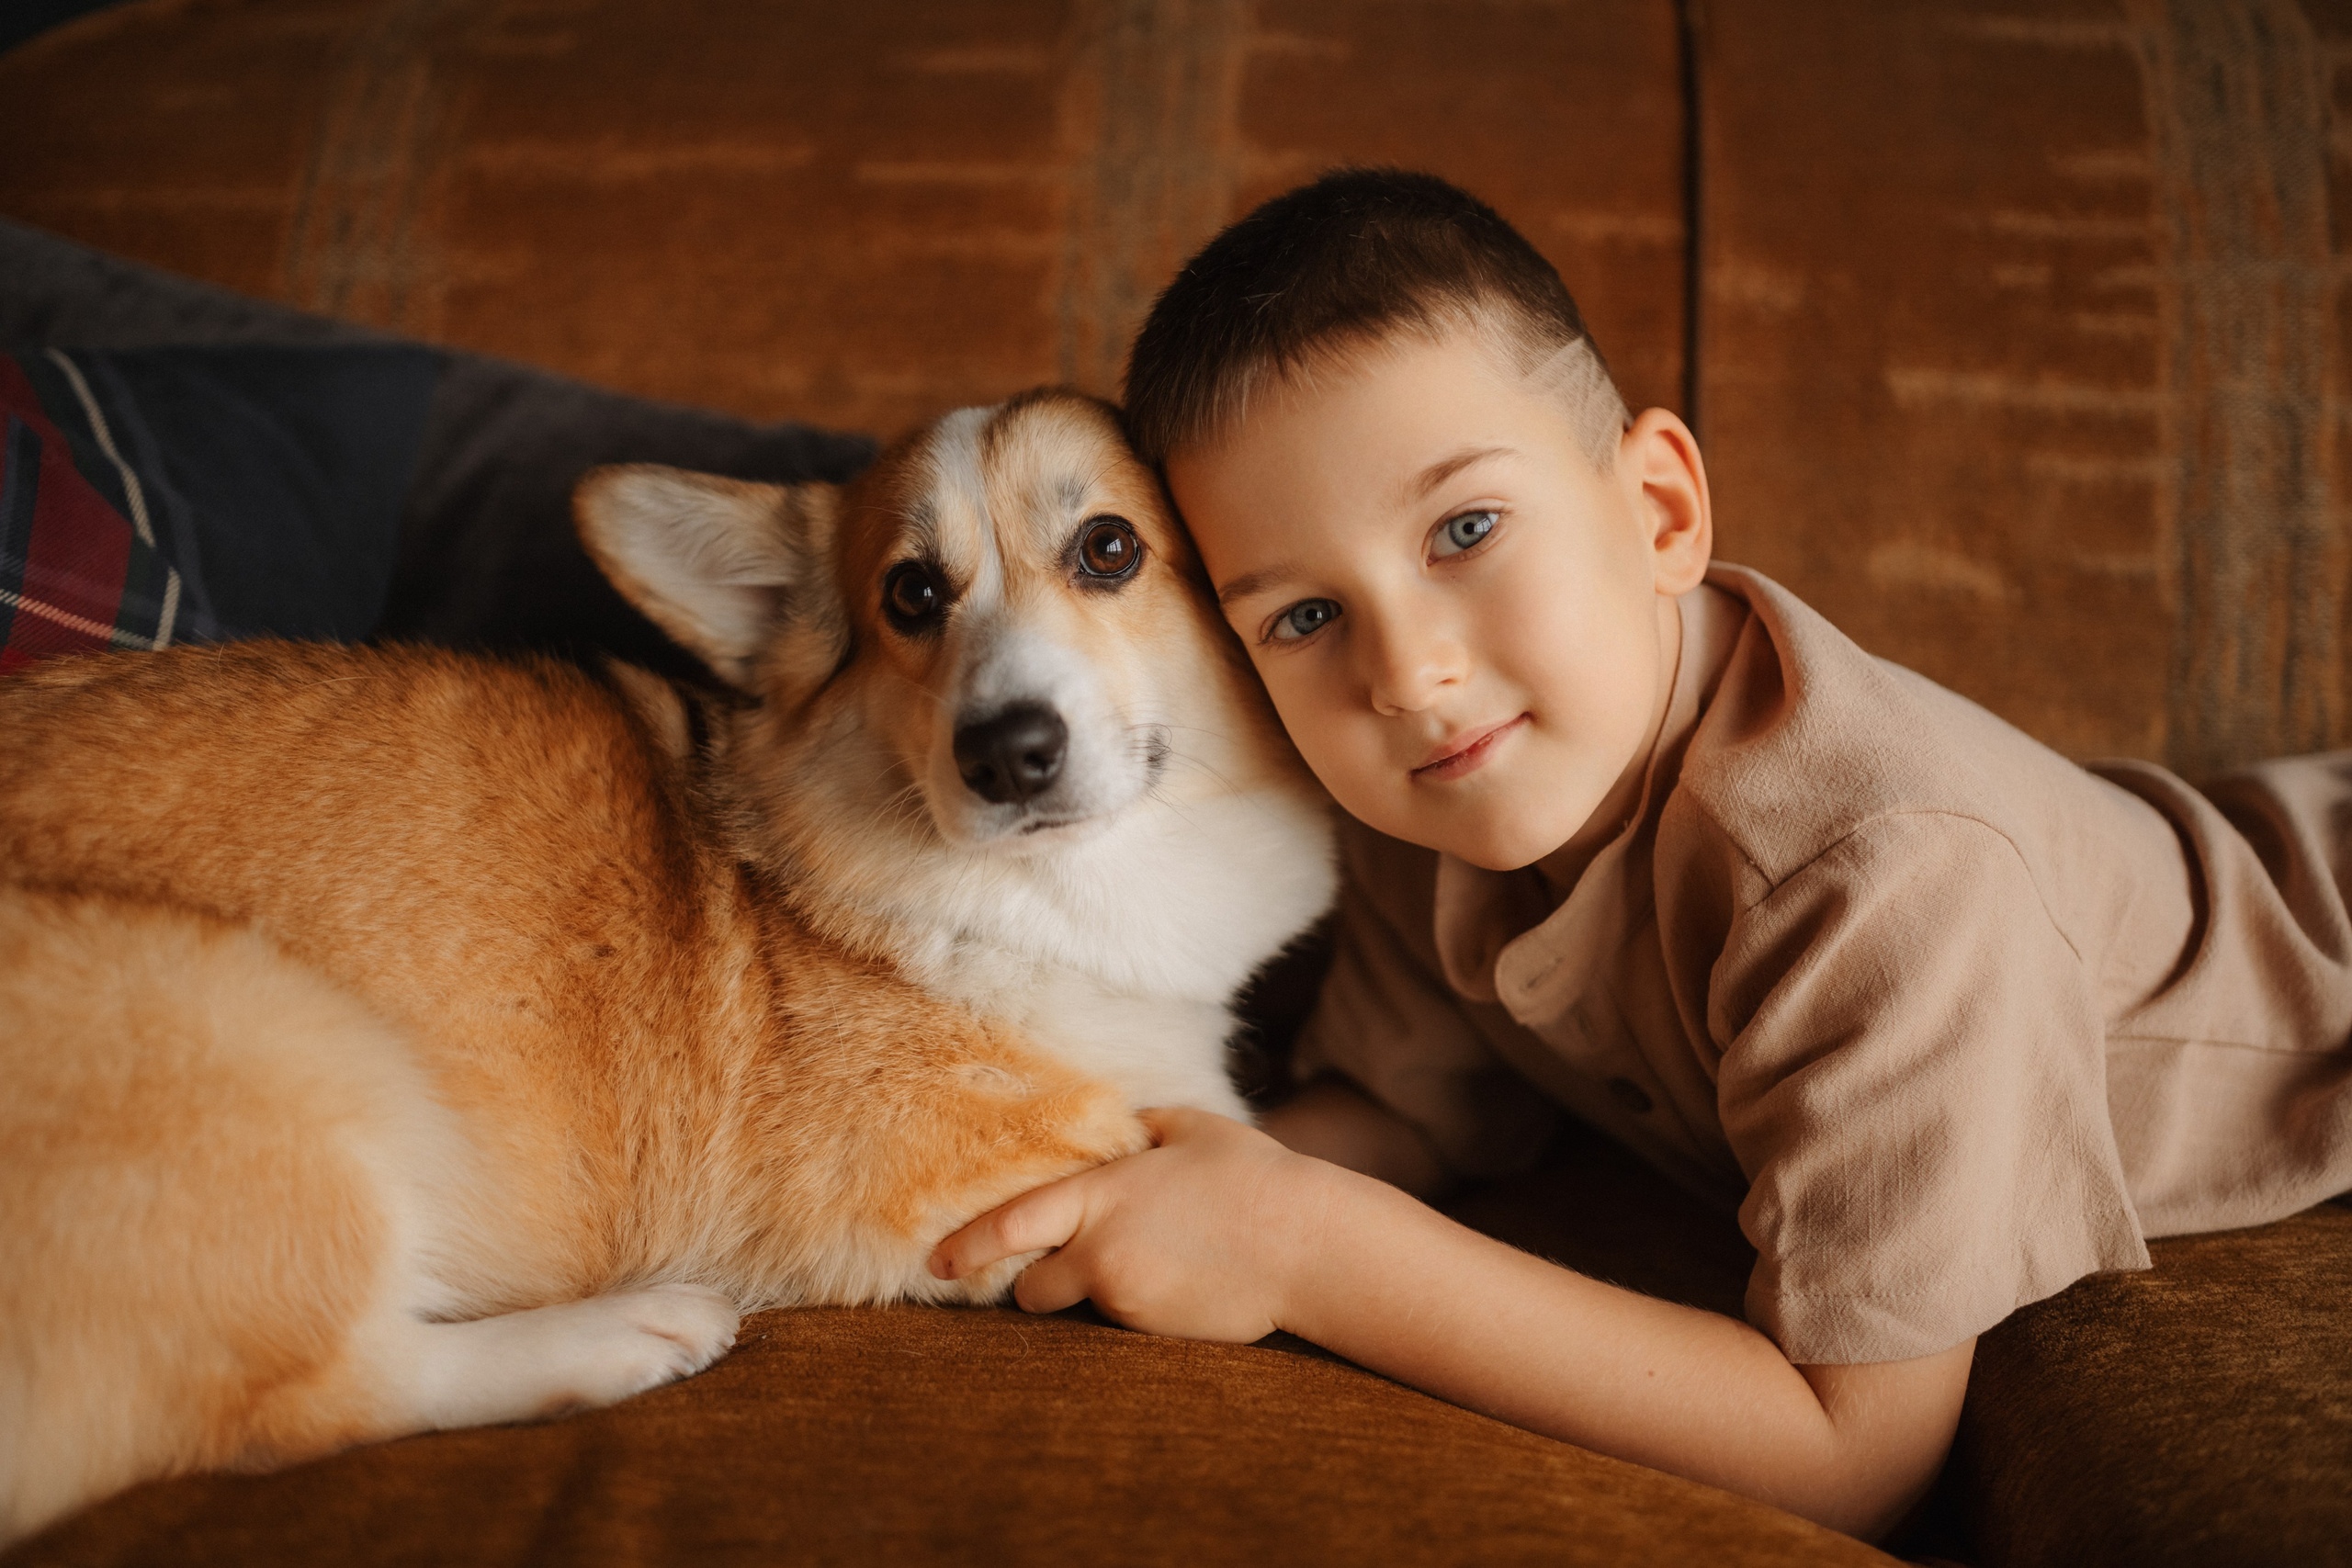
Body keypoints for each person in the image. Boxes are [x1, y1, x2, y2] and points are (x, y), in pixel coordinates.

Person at [928, 168, 2352, 1542]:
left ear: (1661, 510)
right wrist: (1104, 1189)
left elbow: (1852, 1460)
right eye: (1301, 618)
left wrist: (1302, 1246)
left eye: (1465, 530)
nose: (1407, 673)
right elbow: (1406, 1108)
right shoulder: (1431, 802)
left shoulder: (1887, 874)